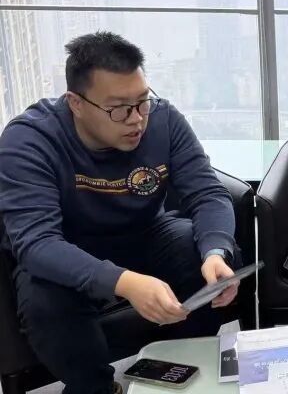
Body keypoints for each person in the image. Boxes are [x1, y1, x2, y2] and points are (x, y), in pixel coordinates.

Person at [0, 32, 242, 394]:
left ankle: (176, 369)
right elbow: (37, 243)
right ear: (76, 103)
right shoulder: (30, 140)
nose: (136, 120)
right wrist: (125, 282)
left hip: (144, 232)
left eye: (142, 102)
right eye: (119, 109)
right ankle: (96, 387)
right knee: (44, 302)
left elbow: (207, 193)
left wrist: (216, 251)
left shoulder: (163, 119)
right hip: (67, 246)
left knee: (208, 257)